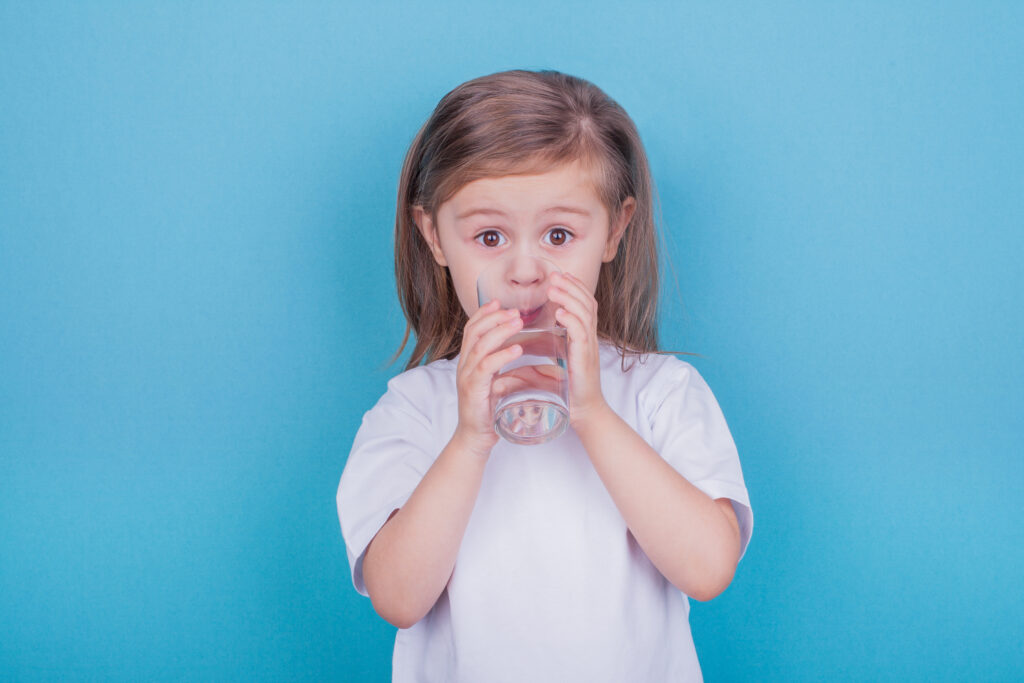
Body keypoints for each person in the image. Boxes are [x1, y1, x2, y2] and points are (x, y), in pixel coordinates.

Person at [337, 69, 753, 682]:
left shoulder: (660, 391)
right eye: (489, 235)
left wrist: (593, 414)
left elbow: (710, 567)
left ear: (613, 229)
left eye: (559, 234)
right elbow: (398, 598)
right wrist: (469, 440)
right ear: (434, 236)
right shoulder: (414, 410)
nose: (525, 269)